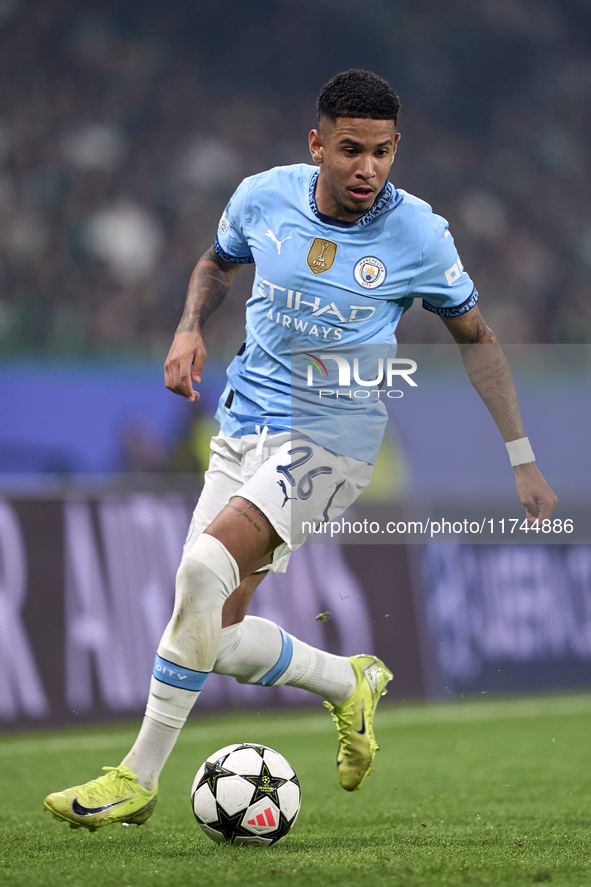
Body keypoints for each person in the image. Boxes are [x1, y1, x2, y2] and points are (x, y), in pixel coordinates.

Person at [44, 69, 557, 832]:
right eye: (350, 150)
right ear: (316, 144)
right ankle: (345, 679)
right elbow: (216, 262)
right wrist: (189, 326)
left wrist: (520, 454)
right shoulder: (262, 196)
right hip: (242, 426)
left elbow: (476, 340)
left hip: (331, 439)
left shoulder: (418, 234)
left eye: (382, 153)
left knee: (198, 569)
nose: (367, 169)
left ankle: (136, 776)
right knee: (207, 628)